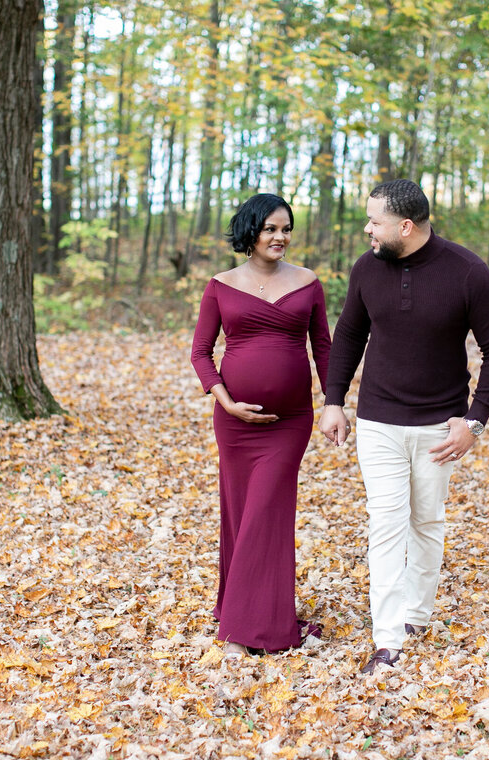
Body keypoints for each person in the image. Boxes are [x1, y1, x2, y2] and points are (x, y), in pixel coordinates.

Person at [319, 179, 489, 675]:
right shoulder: (367, 268)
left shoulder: (468, 272)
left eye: (374, 222)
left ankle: (416, 615)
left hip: (439, 428)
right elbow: (348, 335)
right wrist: (334, 400)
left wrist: (476, 420)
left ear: (405, 226)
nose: (367, 229)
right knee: (385, 523)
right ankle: (386, 640)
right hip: (379, 420)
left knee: (426, 522)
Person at [190, 193, 331, 655]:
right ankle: (242, 613)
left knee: (267, 511)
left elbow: (324, 349)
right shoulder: (221, 284)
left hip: (290, 421)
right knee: (239, 513)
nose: (281, 237)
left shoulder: (308, 283)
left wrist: (335, 402)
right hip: (234, 422)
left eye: (286, 228)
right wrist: (227, 402)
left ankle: (245, 631)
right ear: (251, 232)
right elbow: (200, 352)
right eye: (271, 228)